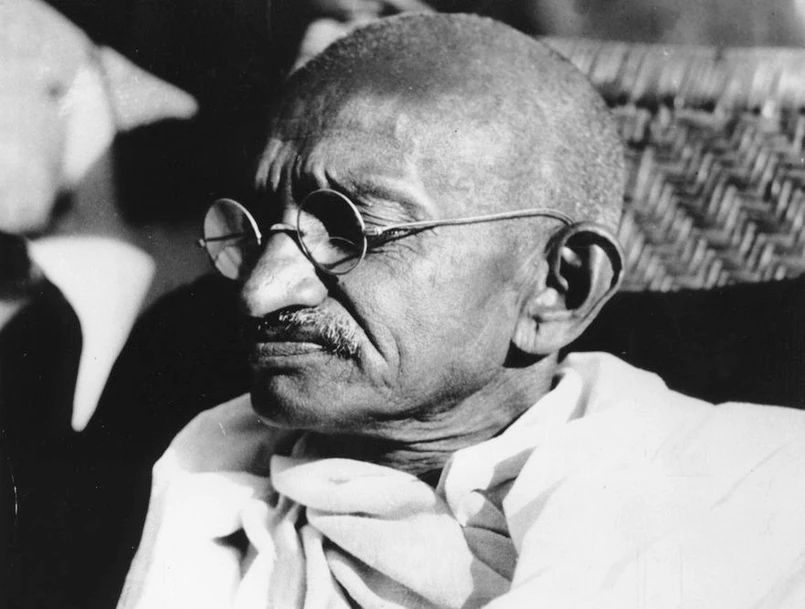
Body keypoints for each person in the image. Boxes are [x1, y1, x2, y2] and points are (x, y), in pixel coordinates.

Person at [118, 13, 805, 609]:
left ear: (559, 287)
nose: (261, 290)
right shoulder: (178, 472)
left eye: (351, 229)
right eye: (259, 226)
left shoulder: (758, 500)